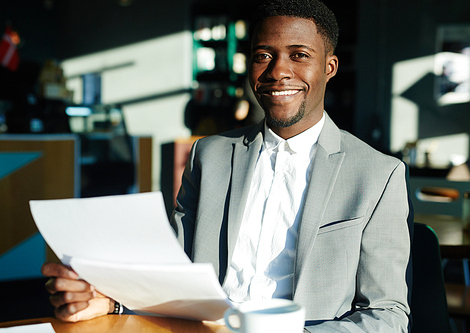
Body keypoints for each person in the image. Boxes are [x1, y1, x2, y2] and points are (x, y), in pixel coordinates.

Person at [42, 0, 413, 331]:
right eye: (263, 55)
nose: (277, 72)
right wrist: (109, 300)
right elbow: (173, 273)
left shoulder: (378, 175)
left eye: (299, 55)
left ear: (329, 67)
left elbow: (388, 314)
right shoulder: (210, 155)